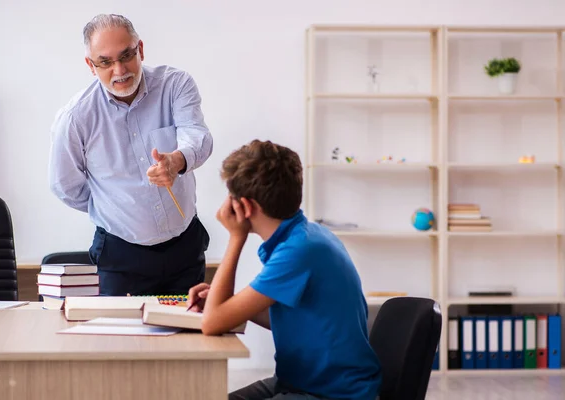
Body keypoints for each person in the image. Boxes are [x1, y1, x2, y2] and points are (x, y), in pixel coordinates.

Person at [188, 140, 381, 400]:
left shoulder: (298, 251)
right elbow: (293, 318)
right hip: (299, 382)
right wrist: (225, 305)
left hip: (331, 394)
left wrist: (236, 237)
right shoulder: (305, 236)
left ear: (245, 206)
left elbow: (212, 323)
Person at [49, 14, 213, 296]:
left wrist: (177, 161)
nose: (120, 69)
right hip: (120, 258)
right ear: (91, 65)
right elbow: (65, 185)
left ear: (141, 49)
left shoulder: (175, 84)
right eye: (106, 62)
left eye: (127, 56)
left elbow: (198, 136)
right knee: (121, 339)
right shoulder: (76, 118)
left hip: (185, 248)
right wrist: (113, 203)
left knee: (188, 338)